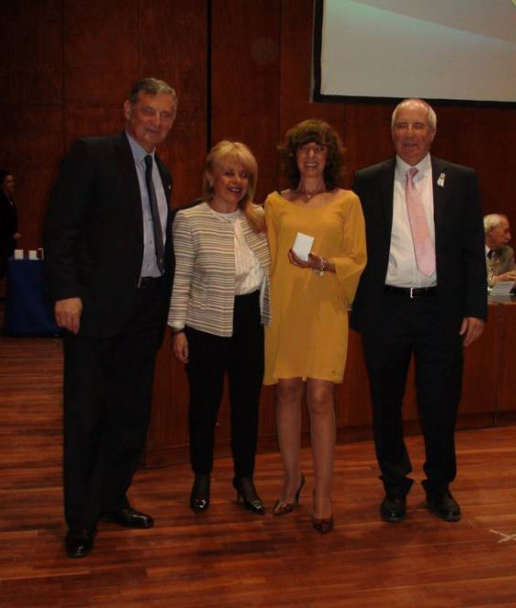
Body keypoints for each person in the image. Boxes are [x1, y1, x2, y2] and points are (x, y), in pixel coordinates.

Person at [43, 77, 177, 559]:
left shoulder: (162, 172)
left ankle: (111, 498)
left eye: (165, 115)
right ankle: (80, 520)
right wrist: (67, 293)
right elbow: (60, 229)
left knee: (128, 415)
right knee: (87, 416)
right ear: (127, 109)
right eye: (149, 111)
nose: (156, 122)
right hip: (95, 311)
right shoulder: (92, 154)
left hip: (145, 311)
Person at [352, 99, 487, 525]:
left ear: (432, 134)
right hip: (386, 310)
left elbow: (471, 253)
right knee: (385, 403)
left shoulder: (462, 180)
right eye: (402, 126)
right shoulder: (367, 180)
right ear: (392, 133)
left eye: (418, 126)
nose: (410, 134)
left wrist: (475, 309)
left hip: (440, 312)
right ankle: (394, 486)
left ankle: (440, 486)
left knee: (440, 403)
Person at [264, 119, 367, 534]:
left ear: (329, 156)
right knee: (287, 390)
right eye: (304, 148)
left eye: (318, 149)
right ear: (293, 156)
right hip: (285, 308)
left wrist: (323, 263)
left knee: (320, 397)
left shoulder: (348, 201)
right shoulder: (273, 202)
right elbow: (265, 257)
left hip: (325, 308)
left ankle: (323, 493)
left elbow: (357, 258)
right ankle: (292, 480)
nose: (310, 155)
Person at [168, 141, 270, 516]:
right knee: (204, 407)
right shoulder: (189, 220)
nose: (237, 180)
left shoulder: (260, 217)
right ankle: (202, 476)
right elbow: (181, 279)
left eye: (244, 174)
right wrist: (177, 329)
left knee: (247, 407)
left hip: (250, 323)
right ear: (211, 176)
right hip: (204, 325)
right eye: (229, 172)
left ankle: (245, 479)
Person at [0, 169, 20, 290]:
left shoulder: (11, 200)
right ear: (1, 184)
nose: (12, 184)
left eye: (12, 181)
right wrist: (9, 235)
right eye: (8, 181)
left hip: (9, 241)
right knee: (0, 268)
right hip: (1, 241)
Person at [484, 213, 516, 287]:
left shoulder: (507, 252)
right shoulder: (470, 251)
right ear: (491, 230)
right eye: (505, 231)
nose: (509, 237)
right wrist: (495, 280)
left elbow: (514, 274)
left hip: (499, 297)